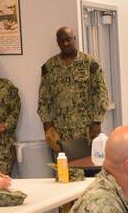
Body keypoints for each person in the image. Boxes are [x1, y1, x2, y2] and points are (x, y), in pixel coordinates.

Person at [38, 26, 110, 156]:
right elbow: (43, 99)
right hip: (60, 130)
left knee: (86, 168)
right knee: (62, 169)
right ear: (57, 42)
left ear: (74, 39)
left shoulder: (89, 63)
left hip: (85, 130)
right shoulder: (49, 66)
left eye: (68, 39)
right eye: (61, 41)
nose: (65, 43)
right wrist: (47, 125)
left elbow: (101, 93)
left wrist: (97, 121)